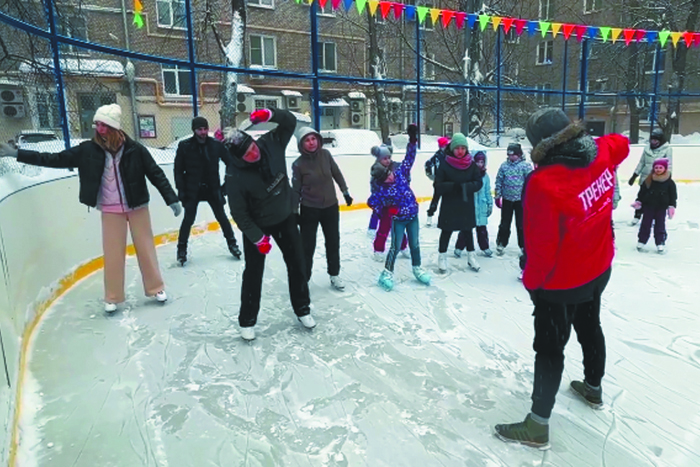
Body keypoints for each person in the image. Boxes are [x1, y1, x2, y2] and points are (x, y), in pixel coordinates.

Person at [494, 108, 629, 449]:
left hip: (560, 284)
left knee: (550, 350)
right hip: (599, 269)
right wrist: (601, 155)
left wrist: (532, 285)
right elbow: (622, 144)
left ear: (538, 146)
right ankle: (593, 389)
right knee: (589, 325)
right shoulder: (600, 151)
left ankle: (538, 425)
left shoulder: (543, 183)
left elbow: (540, 249)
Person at [0, 104, 181, 313]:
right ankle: (113, 297)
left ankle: (156, 288)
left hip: (138, 205)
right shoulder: (88, 150)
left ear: (114, 127)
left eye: (104, 125)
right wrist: (17, 154)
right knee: (113, 253)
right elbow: (55, 159)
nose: (99, 128)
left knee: (146, 248)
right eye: (97, 124)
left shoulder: (134, 149)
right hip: (111, 209)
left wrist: (171, 198)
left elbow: (155, 173)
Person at [223, 108, 314, 341]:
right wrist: (257, 238)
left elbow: (290, 122)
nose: (254, 154)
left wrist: (271, 114)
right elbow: (239, 213)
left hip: (284, 217)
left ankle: (303, 308)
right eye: (247, 154)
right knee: (253, 273)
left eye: (252, 147)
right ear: (238, 157)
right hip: (258, 225)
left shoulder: (270, 143)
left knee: (297, 264)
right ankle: (247, 321)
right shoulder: (234, 176)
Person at [370, 124, 431, 291]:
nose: (389, 178)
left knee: (415, 244)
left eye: (389, 174)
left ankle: (417, 268)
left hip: (413, 215)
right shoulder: (383, 190)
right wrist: (384, 209)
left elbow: (410, 157)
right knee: (395, 247)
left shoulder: (400, 173)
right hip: (398, 220)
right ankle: (387, 272)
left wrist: (412, 140)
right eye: (385, 178)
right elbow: (372, 201)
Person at [292, 126, 353, 290]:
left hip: (330, 207)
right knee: (307, 246)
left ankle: (334, 274)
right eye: (307, 140)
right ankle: (304, 278)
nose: (311, 143)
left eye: (313, 139)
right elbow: (295, 190)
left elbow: (337, 173)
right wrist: (294, 211)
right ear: (301, 144)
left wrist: (345, 191)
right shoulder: (298, 165)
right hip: (309, 209)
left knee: (333, 242)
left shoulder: (326, 155)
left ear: (318, 140)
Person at [174, 116, 241, 265]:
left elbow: (231, 164)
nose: (203, 132)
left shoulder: (215, 145)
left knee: (222, 217)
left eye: (205, 128)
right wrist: (181, 191)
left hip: (212, 188)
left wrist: (226, 186)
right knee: (188, 219)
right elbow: (178, 170)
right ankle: (181, 249)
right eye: (199, 129)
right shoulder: (185, 146)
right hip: (192, 189)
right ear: (194, 130)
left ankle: (232, 244)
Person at [434, 133, 483, 273]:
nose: (460, 151)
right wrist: (453, 186)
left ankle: (471, 256)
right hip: (450, 203)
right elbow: (438, 185)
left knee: (468, 230)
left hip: (466, 202)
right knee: (446, 230)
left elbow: (478, 182)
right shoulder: (445, 164)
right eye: (457, 148)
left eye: (463, 148)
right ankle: (442, 256)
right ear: (452, 148)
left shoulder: (471, 165)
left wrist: (466, 187)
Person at [369, 144, 408, 262]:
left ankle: (403, 246)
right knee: (384, 228)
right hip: (385, 206)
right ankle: (378, 249)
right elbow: (375, 189)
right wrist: (379, 204)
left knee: (399, 227)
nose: (387, 160)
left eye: (389, 158)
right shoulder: (377, 171)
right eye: (384, 158)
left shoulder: (394, 168)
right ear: (379, 159)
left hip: (396, 204)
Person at [494, 143, 532, 255]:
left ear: (519, 154)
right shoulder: (504, 166)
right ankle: (501, 242)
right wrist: (497, 196)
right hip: (507, 199)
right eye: (509, 155)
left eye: (513, 155)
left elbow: (530, 182)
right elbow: (499, 181)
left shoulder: (525, 166)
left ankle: (523, 245)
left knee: (521, 224)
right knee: (505, 223)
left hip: (521, 200)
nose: (511, 157)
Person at [628, 128, 673, 225]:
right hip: (645, 178)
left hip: (658, 179)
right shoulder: (647, 148)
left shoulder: (667, 149)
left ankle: (653, 218)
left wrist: (667, 177)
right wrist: (635, 175)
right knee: (641, 197)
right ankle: (637, 215)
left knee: (655, 200)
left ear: (660, 140)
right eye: (652, 140)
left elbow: (669, 165)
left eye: (656, 140)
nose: (653, 142)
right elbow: (642, 162)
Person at [632, 158, 677, 253]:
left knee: (660, 225)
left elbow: (673, 195)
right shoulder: (649, 180)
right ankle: (642, 241)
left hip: (661, 207)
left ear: (665, 168)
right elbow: (642, 192)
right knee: (645, 224)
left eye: (661, 167)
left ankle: (660, 242)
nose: (658, 169)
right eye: (656, 167)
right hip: (649, 206)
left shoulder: (669, 182)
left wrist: (671, 206)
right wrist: (639, 201)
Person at [455, 150, 493, 258]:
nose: (479, 164)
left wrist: (489, 204)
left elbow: (487, 191)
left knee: (482, 230)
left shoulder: (485, 177)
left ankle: (485, 247)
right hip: (470, 206)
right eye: (477, 162)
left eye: (482, 162)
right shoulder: (468, 174)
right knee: (466, 229)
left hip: (481, 206)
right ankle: (459, 247)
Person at [424, 136, 450, 226]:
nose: (446, 147)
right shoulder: (437, 156)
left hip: (448, 181)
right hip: (439, 182)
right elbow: (428, 164)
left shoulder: (449, 155)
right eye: (444, 145)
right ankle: (430, 215)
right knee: (436, 199)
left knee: (448, 200)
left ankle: (447, 217)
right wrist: (431, 176)